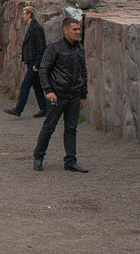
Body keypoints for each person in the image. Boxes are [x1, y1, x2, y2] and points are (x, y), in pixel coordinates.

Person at [33, 16, 89, 173]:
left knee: (71, 129)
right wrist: (48, 90)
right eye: (75, 29)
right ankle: (38, 156)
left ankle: (70, 160)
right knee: (49, 127)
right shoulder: (55, 48)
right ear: (65, 30)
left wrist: (83, 94)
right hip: (57, 94)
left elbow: (83, 72)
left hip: (74, 95)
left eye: (79, 29)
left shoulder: (79, 48)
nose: (78, 32)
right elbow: (44, 69)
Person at [5, 5, 49, 118]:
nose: (23, 16)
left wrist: (37, 63)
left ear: (30, 14)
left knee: (25, 85)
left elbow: (41, 47)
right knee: (37, 86)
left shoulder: (36, 28)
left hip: (34, 62)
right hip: (32, 61)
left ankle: (18, 109)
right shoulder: (32, 27)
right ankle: (44, 108)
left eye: (24, 14)